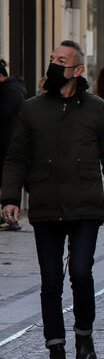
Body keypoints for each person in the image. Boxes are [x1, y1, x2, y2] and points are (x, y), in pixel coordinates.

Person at [1, 40, 104, 359]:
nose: (54, 65)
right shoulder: (32, 109)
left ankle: (84, 339)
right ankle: (55, 351)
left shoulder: (97, 110)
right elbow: (16, 157)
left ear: (78, 70)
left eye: (61, 60)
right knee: (51, 281)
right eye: (52, 59)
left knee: (82, 273)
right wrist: (10, 197)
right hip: (45, 205)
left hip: (86, 206)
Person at [0, 58, 27, 231]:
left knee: (9, 181)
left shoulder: (10, 92)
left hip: (7, 145)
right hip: (9, 144)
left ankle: (11, 218)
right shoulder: (14, 89)